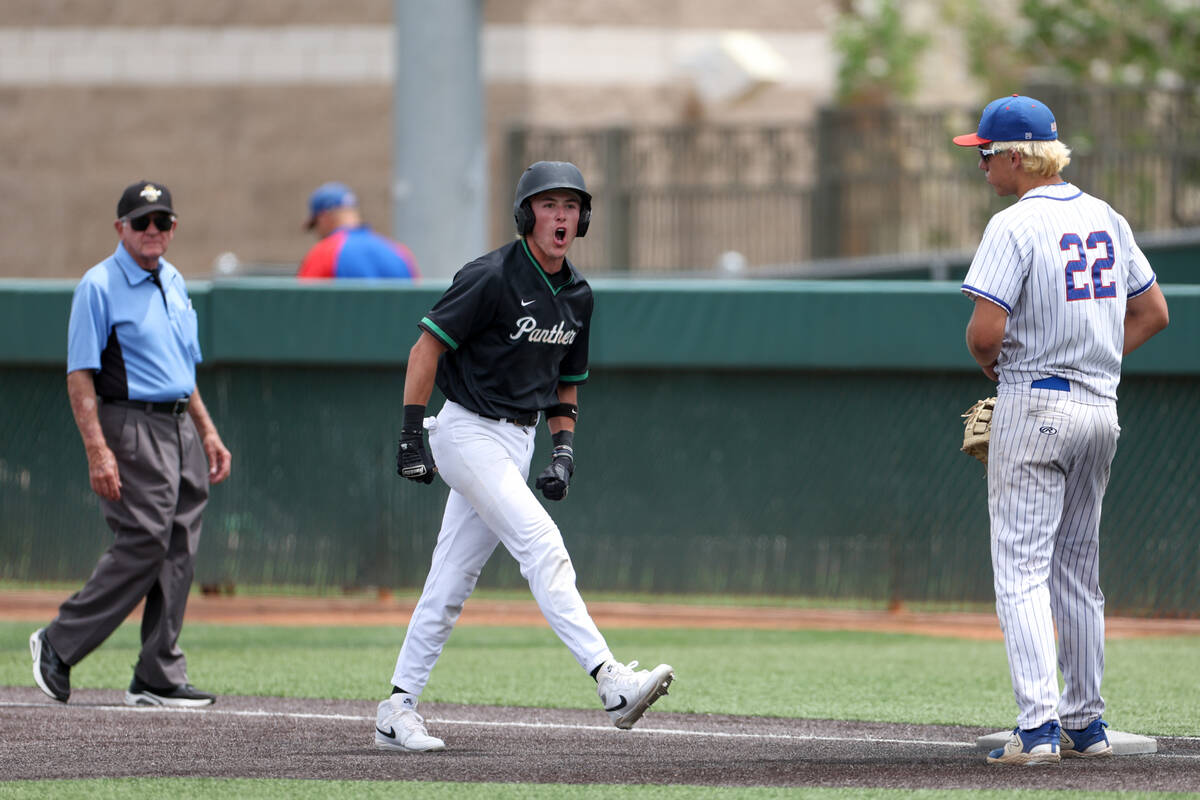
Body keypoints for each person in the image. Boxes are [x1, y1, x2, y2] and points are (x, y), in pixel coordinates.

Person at [377, 161, 675, 753]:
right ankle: (609, 679)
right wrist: (411, 435)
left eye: (571, 206)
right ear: (526, 214)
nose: (561, 216)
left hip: (518, 438)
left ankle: (397, 708)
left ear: (582, 217)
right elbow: (424, 348)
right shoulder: (490, 276)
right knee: (542, 544)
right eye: (549, 204)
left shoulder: (579, 296)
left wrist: (563, 451)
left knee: (450, 582)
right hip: (465, 432)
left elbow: (568, 382)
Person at [954, 96, 1169, 765]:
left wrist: (995, 365)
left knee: (1020, 570)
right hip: (1099, 409)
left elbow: (985, 332)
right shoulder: (1106, 215)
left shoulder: (1013, 224)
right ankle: (1086, 724)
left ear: (1018, 157)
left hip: (1037, 402)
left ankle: (1039, 728)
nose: (984, 164)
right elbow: (1154, 312)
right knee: (1077, 569)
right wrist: (1094, 363)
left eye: (987, 154)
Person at [30, 180, 233, 708]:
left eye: (161, 221)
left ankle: (157, 673)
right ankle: (59, 640)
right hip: (130, 423)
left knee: (180, 546)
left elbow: (183, 369)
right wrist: (97, 450)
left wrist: (207, 429)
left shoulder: (174, 280)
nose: (151, 231)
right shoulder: (98, 285)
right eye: (140, 221)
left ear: (173, 228)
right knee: (144, 540)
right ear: (120, 227)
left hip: (179, 424)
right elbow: (80, 376)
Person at [298, 181, 419, 279]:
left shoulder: (323, 253)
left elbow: (303, 303)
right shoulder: (398, 251)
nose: (318, 233)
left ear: (323, 217)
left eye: (315, 225)